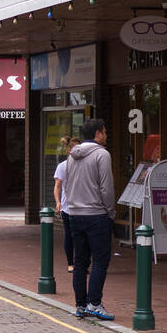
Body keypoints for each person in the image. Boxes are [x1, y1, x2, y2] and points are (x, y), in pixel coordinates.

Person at [63, 119, 116, 320]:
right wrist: (109, 212)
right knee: (100, 261)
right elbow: (106, 188)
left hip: (75, 214)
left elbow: (67, 186)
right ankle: (95, 303)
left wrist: (73, 207)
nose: (106, 135)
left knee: (80, 261)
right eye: (104, 131)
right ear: (97, 134)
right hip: (96, 215)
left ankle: (81, 305)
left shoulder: (71, 157)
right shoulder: (102, 155)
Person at [52, 146, 74, 273]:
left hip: (83, 208)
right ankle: (70, 262)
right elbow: (57, 186)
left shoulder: (84, 165)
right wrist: (58, 202)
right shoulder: (62, 166)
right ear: (69, 150)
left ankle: (82, 263)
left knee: (81, 237)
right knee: (70, 236)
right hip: (67, 207)